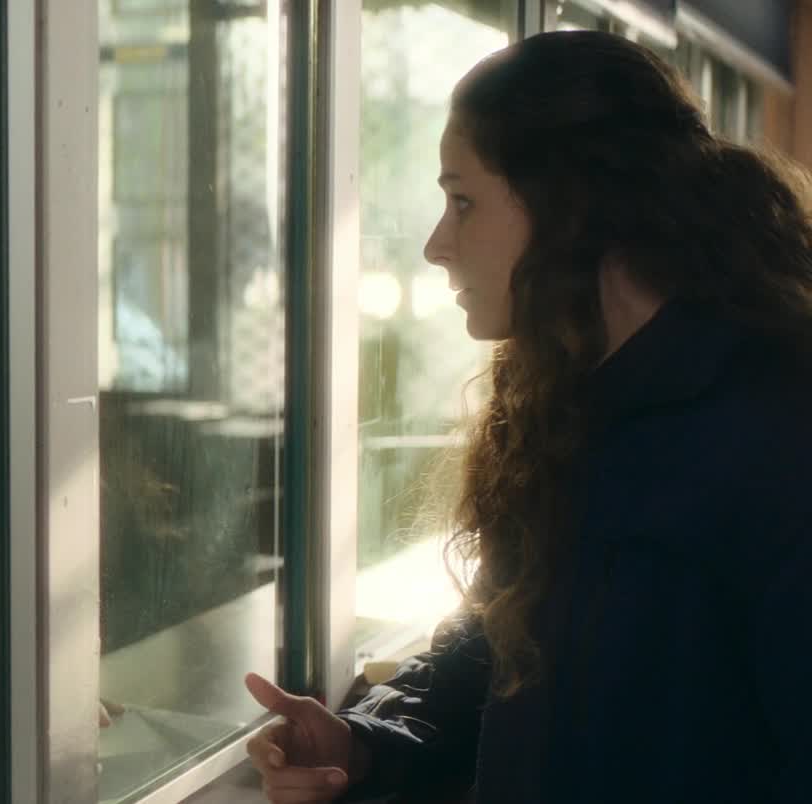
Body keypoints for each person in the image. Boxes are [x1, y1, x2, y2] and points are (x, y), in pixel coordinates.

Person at [242, 30, 812, 804]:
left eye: (463, 201)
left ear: (569, 201)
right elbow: (497, 658)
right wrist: (364, 743)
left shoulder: (778, 435)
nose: (436, 245)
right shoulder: (567, 408)